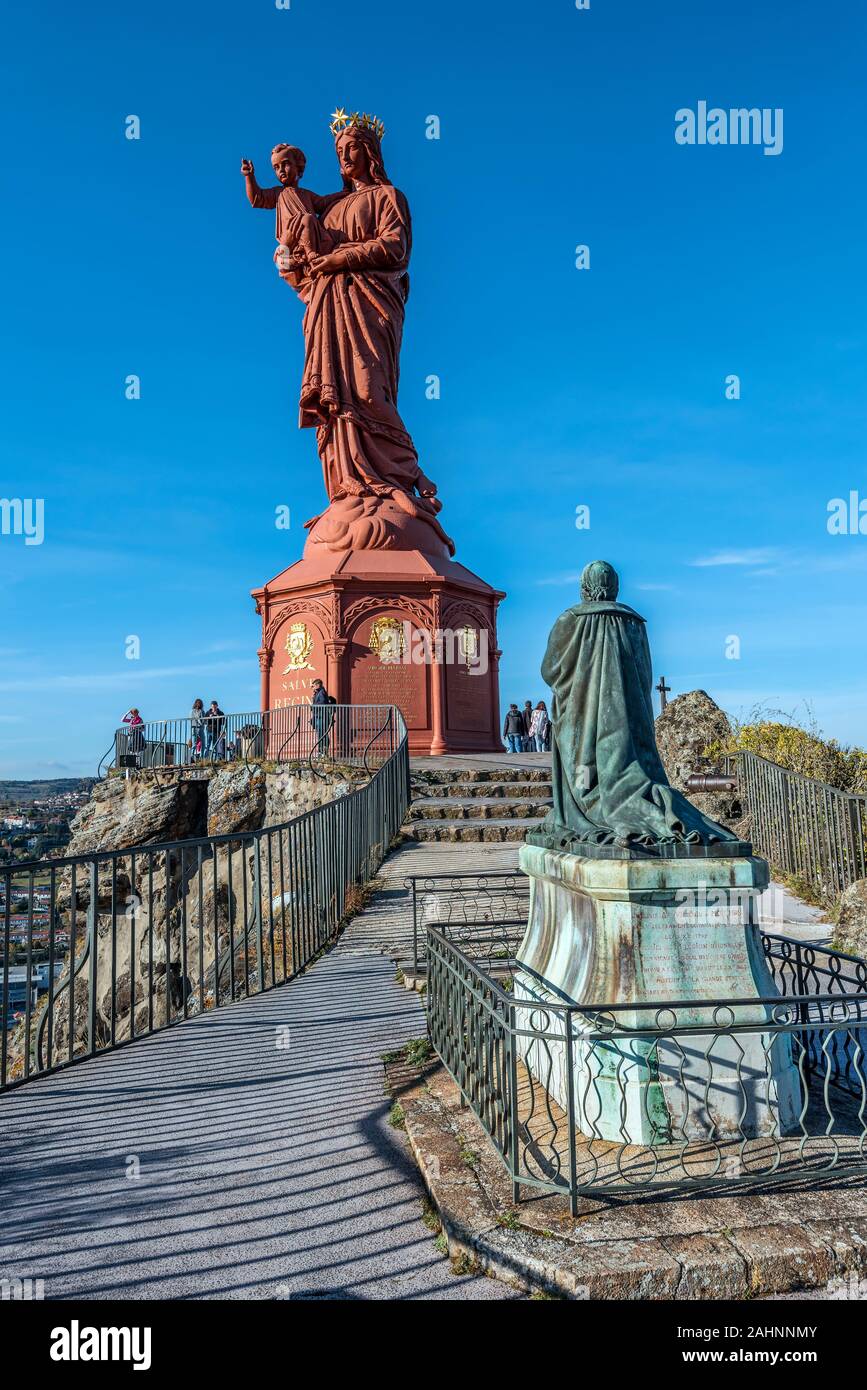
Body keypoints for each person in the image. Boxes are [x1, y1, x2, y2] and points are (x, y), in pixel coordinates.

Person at [241, 144, 346, 276]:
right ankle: (304, 256)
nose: (281, 170)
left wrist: (343, 193)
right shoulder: (278, 193)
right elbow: (257, 198)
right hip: (290, 237)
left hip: (310, 235)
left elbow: (323, 202)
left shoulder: (305, 194)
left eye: (285, 164)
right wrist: (249, 177)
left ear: (298, 166)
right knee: (284, 263)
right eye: (276, 168)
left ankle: (309, 253)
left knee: (307, 218)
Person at [310, 679, 332, 755]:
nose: (312, 687)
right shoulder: (317, 693)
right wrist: (313, 699)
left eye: (312, 686)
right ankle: (321, 751)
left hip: (322, 717)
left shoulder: (322, 692)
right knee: (320, 734)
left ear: (317, 685)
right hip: (318, 717)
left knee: (322, 734)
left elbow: (322, 703)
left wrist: (313, 705)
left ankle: (323, 750)